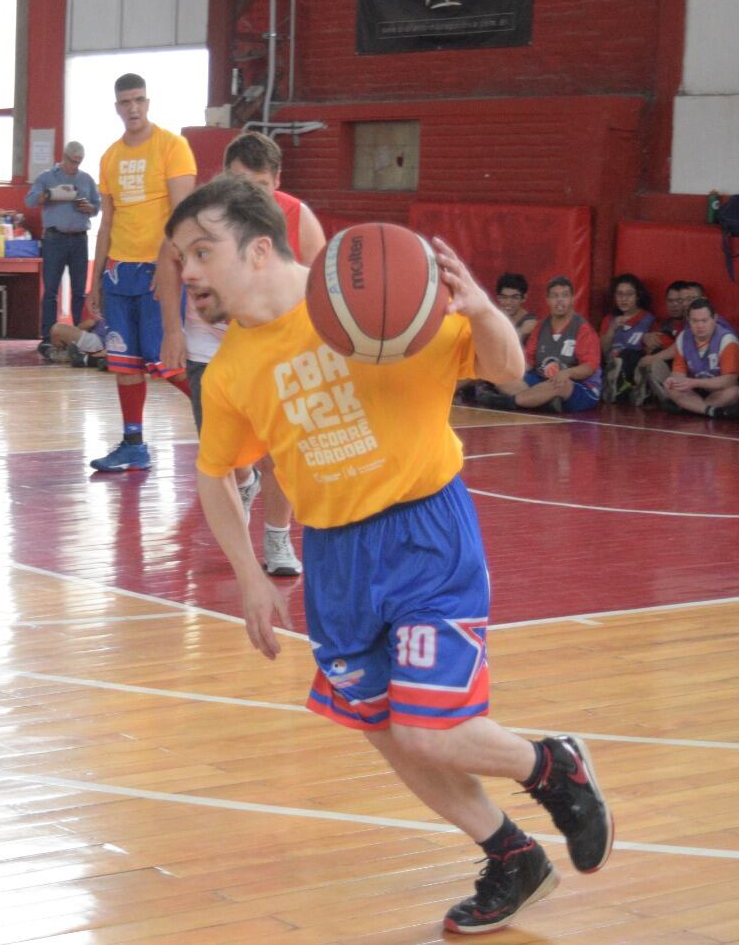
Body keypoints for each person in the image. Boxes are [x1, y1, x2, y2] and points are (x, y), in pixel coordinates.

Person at [171, 175, 612, 934]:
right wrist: (250, 575)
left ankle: (553, 765)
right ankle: (511, 857)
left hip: (424, 537)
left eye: (202, 252)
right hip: (336, 557)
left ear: (261, 248)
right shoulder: (236, 366)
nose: (187, 273)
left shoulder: (376, 297)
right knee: (381, 723)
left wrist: (481, 313)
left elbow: (508, 371)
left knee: (427, 729)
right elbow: (215, 475)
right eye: (180, 258)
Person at [190, 130, 329, 577]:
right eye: (238, 182)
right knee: (225, 455)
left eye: (260, 184)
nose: (249, 194)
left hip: (281, 350)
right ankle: (244, 483)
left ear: (277, 181)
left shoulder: (296, 215)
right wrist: (172, 329)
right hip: (215, 349)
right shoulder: (205, 218)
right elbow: (174, 266)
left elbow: (322, 283)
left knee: (282, 453)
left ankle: (276, 537)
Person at [85, 73, 197, 472]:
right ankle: (133, 444)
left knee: (165, 360)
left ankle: (222, 420)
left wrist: (169, 264)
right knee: (123, 360)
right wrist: (95, 279)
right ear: (117, 107)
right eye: (124, 102)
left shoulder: (173, 146)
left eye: (138, 100)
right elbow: (107, 222)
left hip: (157, 268)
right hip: (118, 271)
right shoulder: (110, 156)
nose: (132, 108)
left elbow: (184, 216)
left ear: (148, 102)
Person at [482, 277, 602, 413]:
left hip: (579, 387)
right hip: (542, 381)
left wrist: (567, 373)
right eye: (554, 296)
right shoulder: (541, 327)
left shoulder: (583, 329)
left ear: (573, 299)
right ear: (547, 300)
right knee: (503, 377)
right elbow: (529, 362)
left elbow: (590, 367)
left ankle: (509, 402)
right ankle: (543, 401)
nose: (560, 300)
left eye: (565, 295)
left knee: (560, 385)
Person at [26, 140, 100, 353]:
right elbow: (30, 201)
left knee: (79, 291)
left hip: (79, 239)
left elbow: (98, 206)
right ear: (63, 157)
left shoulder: (86, 179)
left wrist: (89, 208)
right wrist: (49, 195)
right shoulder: (47, 177)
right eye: (71, 161)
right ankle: (49, 336)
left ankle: (77, 336)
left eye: (78, 162)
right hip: (54, 239)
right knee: (50, 290)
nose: (74, 166)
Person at [658, 297, 739, 417]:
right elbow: (678, 372)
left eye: (704, 321)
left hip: (720, 390)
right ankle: (709, 411)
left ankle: (691, 408)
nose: (700, 326)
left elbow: (728, 381)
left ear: (715, 318)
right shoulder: (683, 337)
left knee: (734, 392)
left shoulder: (727, 340)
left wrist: (695, 383)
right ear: (688, 320)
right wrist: (674, 380)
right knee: (671, 388)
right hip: (695, 390)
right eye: (695, 321)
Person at [598, 273, 658, 403]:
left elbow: (654, 350)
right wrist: (612, 329)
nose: (623, 299)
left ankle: (635, 388)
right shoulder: (609, 319)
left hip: (636, 365)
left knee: (631, 354)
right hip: (612, 363)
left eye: (629, 294)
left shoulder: (649, 320)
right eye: (619, 294)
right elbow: (603, 350)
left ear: (638, 296)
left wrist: (647, 340)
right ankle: (614, 384)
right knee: (614, 361)